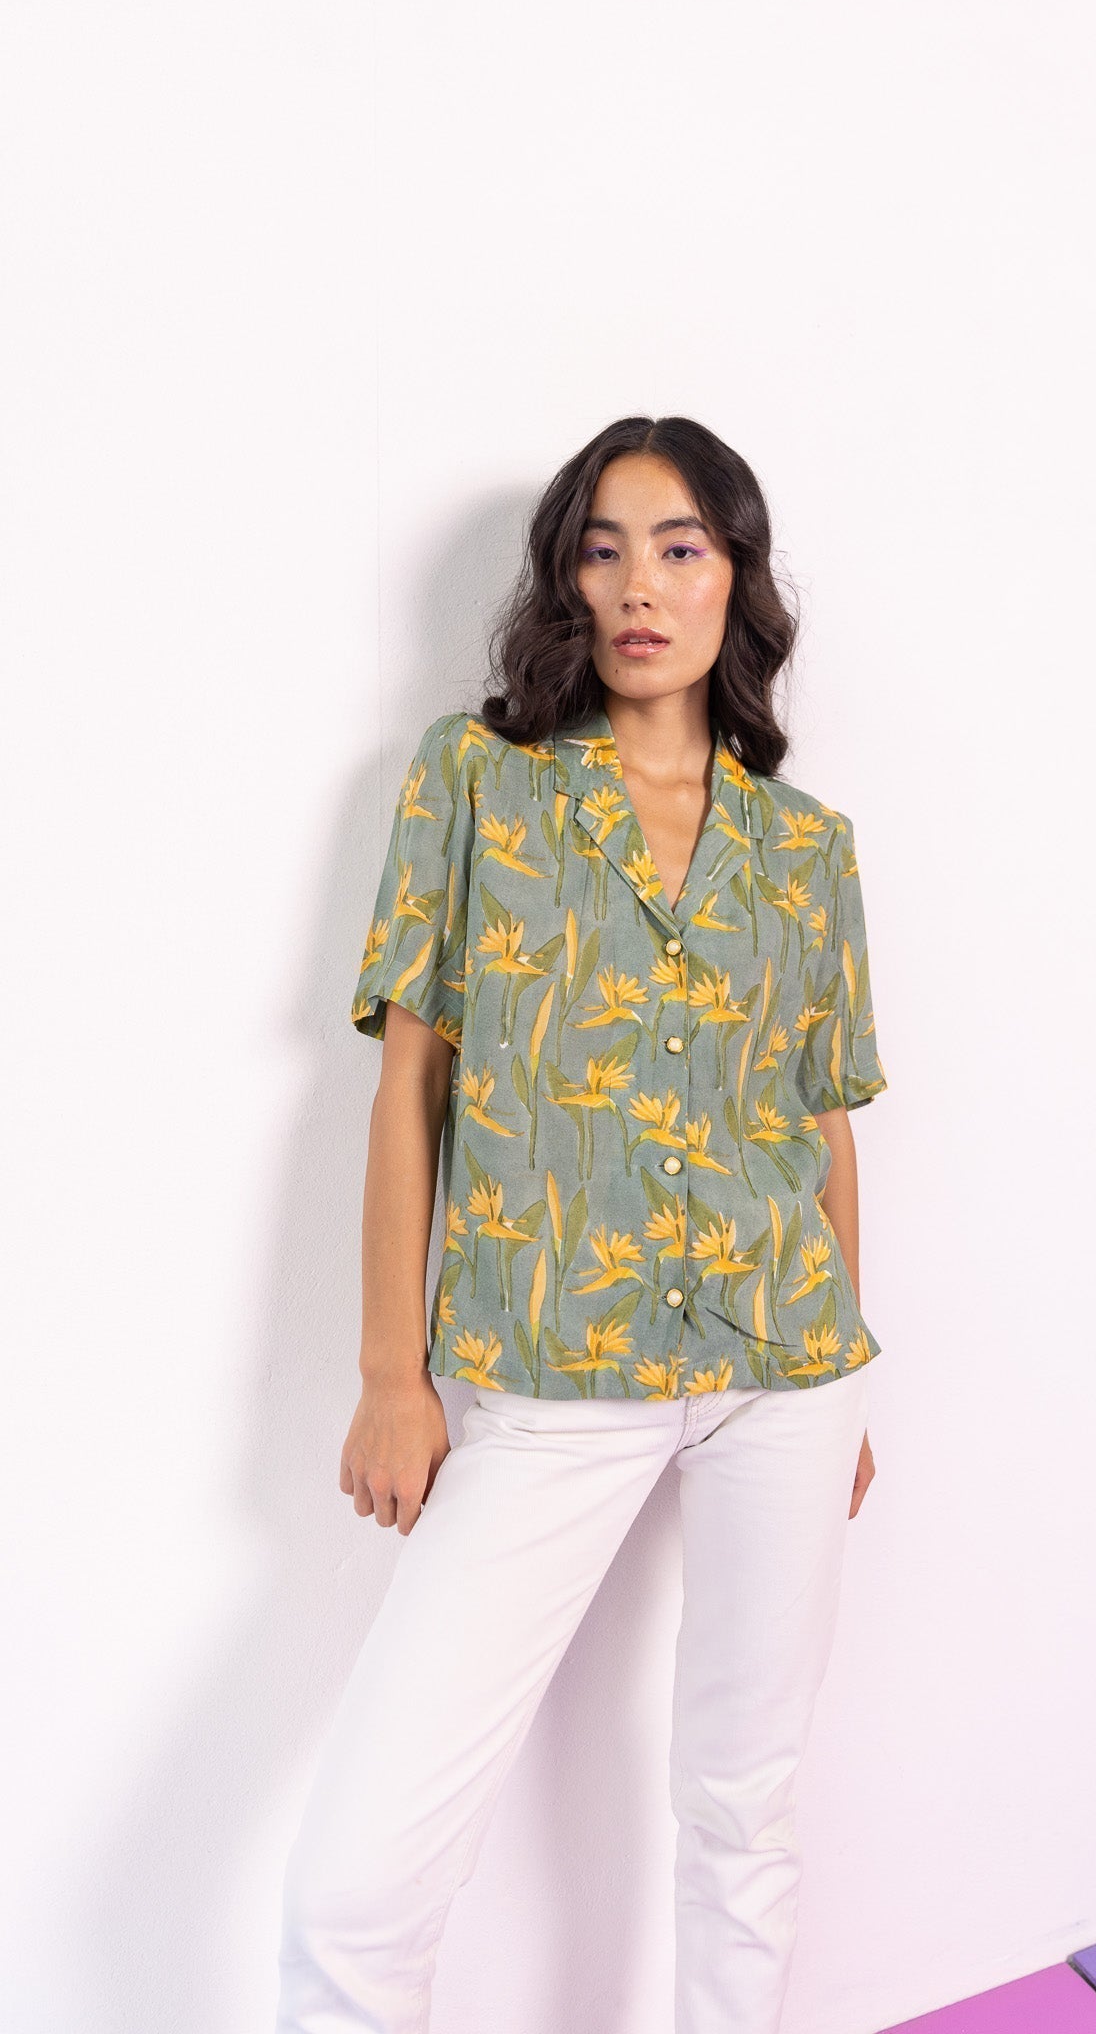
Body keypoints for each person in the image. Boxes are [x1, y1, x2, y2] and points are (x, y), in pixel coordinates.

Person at [275, 414, 891, 2034]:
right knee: (356, 1889)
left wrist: (847, 1373)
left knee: (743, 1809)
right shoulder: (476, 785)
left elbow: (820, 1119)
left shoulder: (804, 850)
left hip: (785, 1370)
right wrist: (392, 1375)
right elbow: (410, 1084)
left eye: (680, 548)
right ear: (563, 580)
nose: (638, 587)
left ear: (735, 577)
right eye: (601, 550)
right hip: (546, 1378)